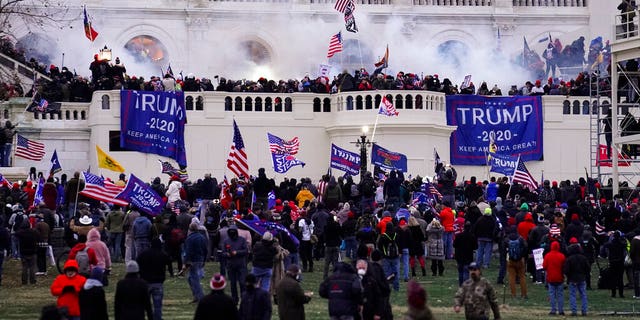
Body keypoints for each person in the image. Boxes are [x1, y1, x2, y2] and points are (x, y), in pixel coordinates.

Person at [137, 238, 171, 320]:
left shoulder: (143, 254)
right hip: (158, 282)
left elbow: (137, 262)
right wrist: (171, 273)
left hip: (145, 281)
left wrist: (139, 274)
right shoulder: (162, 254)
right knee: (158, 305)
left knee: (143, 304)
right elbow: (169, 262)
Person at [184, 222, 209, 303]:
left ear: (190, 229)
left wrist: (186, 262)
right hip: (200, 259)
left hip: (193, 260)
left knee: (194, 279)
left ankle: (200, 297)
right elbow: (205, 249)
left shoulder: (190, 238)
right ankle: (196, 295)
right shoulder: (202, 237)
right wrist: (204, 260)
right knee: (190, 278)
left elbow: (188, 251)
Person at [223, 224, 249, 304]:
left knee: (242, 282)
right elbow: (223, 252)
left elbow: (246, 251)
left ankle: (243, 298)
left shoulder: (242, 240)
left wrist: (236, 252)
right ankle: (235, 299)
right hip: (231, 265)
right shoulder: (226, 241)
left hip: (241, 264)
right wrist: (227, 254)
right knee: (233, 283)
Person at [564, 240, 590, 316]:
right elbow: (588, 268)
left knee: (572, 295)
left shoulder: (569, 259)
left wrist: (568, 276)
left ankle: (574, 311)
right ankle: (584, 311)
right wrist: (585, 274)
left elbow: (566, 270)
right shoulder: (584, 258)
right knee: (583, 295)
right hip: (582, 278)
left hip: (572, 278)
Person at [601, 230, 627, 298]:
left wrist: (607, 237)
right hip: (620, 262)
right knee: (620, 278)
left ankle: (613, 293)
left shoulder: (610, 244)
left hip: (612, 262)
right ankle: (621, 294)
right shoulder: (622, 244)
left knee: (613, 278)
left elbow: (605, 246)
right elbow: (625, 248)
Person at [543, 240, 566, 315]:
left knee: (552, 295)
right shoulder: (562, 256)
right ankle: (561, 310)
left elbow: (544, 266)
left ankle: (553, 310)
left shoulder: (547, 255)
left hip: (551, 278)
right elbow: (564, 267)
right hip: (560, 278)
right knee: (560, 295)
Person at [506, 226, 528, 299]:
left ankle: (513, 294)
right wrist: (522, 256)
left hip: (510, 260)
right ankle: (523, 294)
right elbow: (525, 247)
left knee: (512, 277)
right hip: (520, 260)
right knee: (522, 277)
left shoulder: (507, 239)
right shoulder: (520, 238)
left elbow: (503, 249)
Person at [377, 221, 400, 291]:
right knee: (395, 272)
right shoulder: (396, 235)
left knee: (386, 272)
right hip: (395, 256)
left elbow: (379, 246)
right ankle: (396, 287)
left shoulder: (383, 236)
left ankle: (387, 287)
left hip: (386, 256)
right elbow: (399, 244)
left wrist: (383, 253)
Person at [454, 221, 477, 286]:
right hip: (468, 256)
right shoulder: (472, 236)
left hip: (459, 256)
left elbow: (454, 245)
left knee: (460, 271)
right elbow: (476, 247)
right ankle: (465, 285)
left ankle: (461, 284)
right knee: (466, 271)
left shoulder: (459, 236)